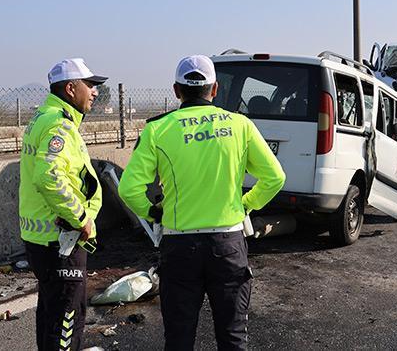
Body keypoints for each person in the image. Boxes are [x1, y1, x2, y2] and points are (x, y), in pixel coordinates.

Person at [118, 55, 286, 350]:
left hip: (179, 246)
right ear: (216, 89)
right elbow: (275, 177)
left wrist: (154, 212)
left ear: (176, 90)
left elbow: (129, 189)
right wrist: (246, 205)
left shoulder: (158, 129)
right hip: (228, 243)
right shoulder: (240, 125)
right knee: (233, 337)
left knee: (180, 338)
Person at [19, 58, 107, 350]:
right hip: (61, 242)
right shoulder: (60, 126)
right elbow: (48, 177)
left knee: (50, 313)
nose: (94, 92)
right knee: (68, 317)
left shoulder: (42, 118)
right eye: (90, 85)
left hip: (41, 239)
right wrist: (80, 217)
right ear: (71, 88)